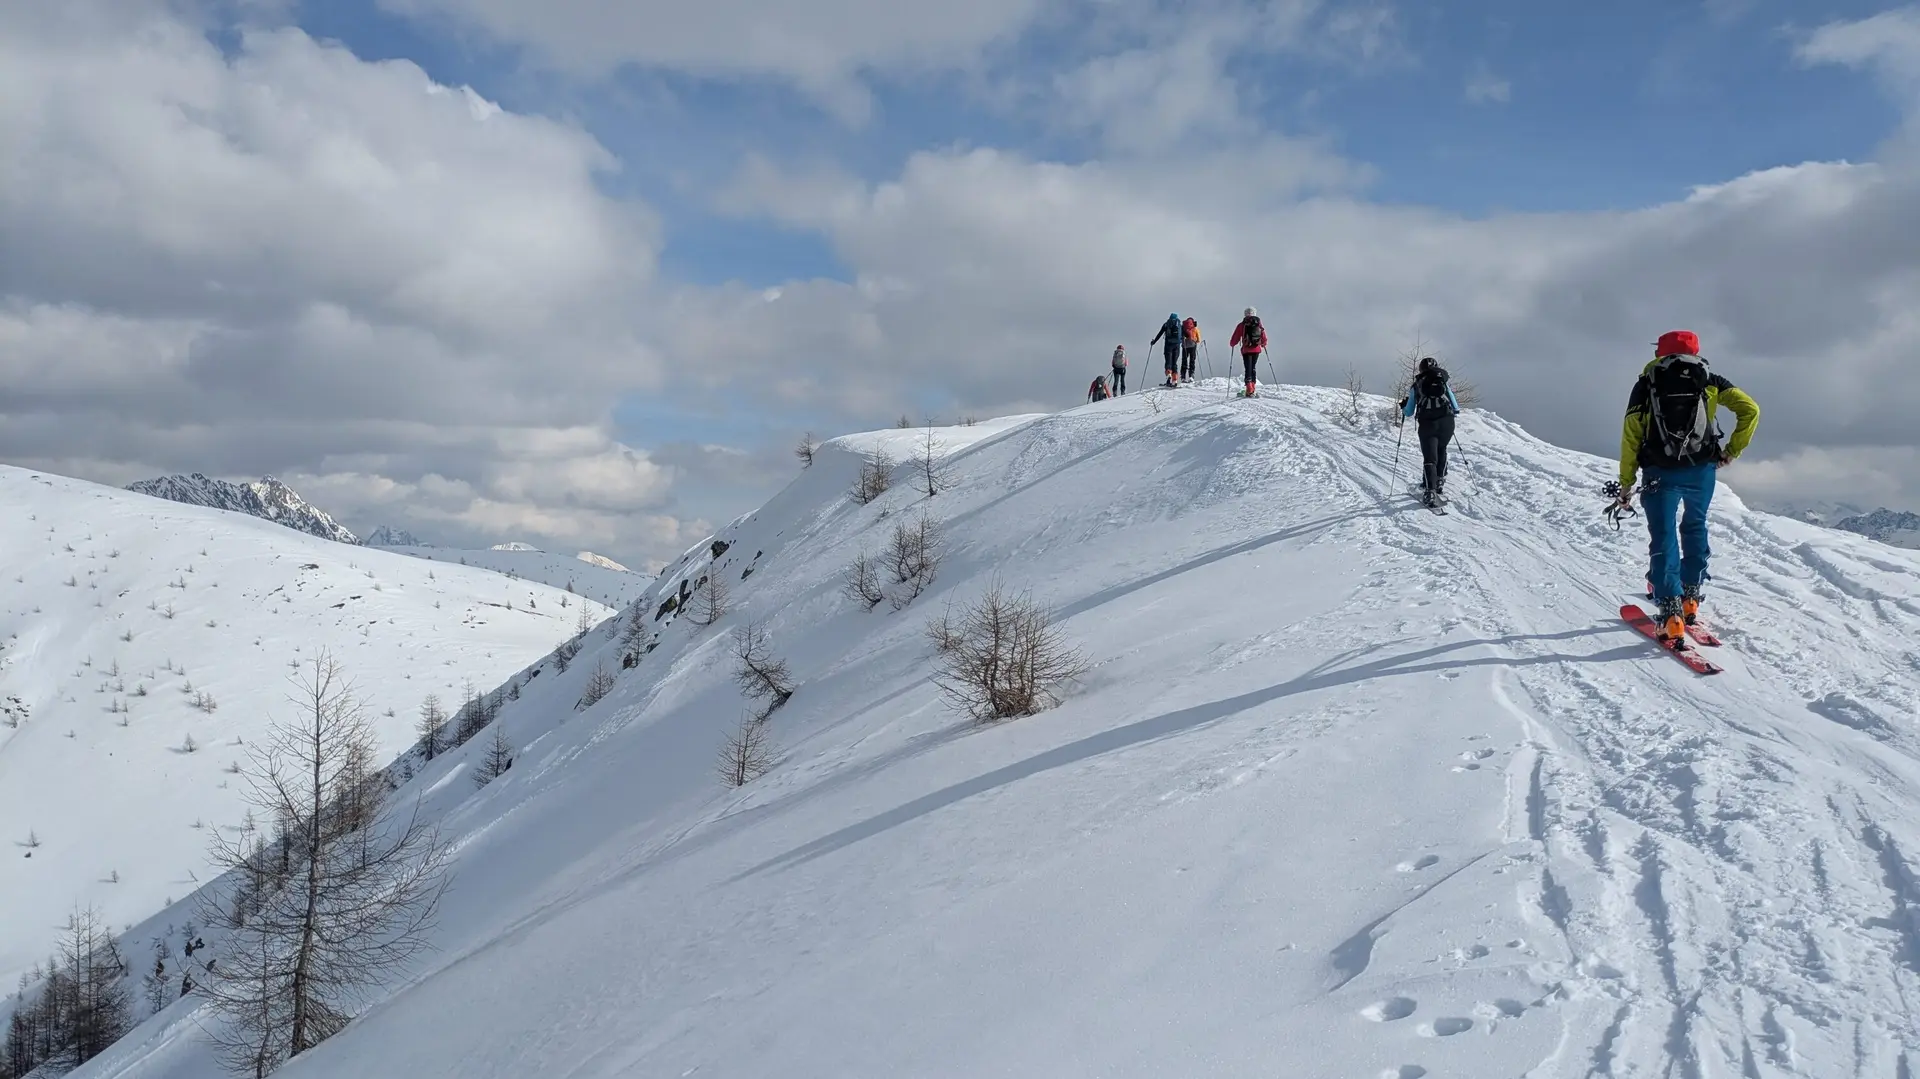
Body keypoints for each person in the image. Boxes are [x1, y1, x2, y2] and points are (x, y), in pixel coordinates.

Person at [1612, 329, 1760, 641]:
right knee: (1695, 526)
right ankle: (1690, 599)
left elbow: (1631, 434)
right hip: (1701, 471)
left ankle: (1670, 613)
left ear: (1659, 354)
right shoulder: (1709, 380)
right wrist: (1731, 451)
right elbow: (1751, 410)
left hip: (1660, 472)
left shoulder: (1647, 383)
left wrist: (1626, 483)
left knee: (1664, 535)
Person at [1399, 357, 1460, 507]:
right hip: (1447, 422)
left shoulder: (1416, 386)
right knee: (1442, 449)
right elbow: (1456, 407)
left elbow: (1408, 412)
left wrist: (1403, 406)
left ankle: (1430, 492)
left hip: (1427, 425)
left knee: (1430, 458)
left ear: (1420, 370)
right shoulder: (1443, 382)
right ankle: (1439, 481)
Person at [1228, 307, 1266, 396]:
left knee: (1247, 369)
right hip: (1256, 349)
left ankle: (1249, 390)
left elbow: (1236, 337)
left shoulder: (1242, 325)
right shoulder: (1258, 324)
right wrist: (1264, 343)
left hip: (1246, 350)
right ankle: (1253, 387)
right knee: (1253, 368)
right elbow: (1263, 334)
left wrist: (1232, 343)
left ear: (1245, 314)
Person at [1150, 313, 1183, 388]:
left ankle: (1169, 375)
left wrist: (1154, 342)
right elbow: (1182, 335)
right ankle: (1175, 380)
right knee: (1174, 363)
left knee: (1168, 362)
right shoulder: (1179, 325)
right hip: (1177, 346)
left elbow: (1160, 333)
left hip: (1168, 345)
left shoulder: (1166, 324)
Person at [1180, 317, 1200, 382]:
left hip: (1185, 346)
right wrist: (1196, 341)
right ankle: (1191, 376)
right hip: (1193, 345)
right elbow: (1199, 339)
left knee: (1184, 361)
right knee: (1192, 360)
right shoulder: (1195, 328)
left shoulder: (1183, 327)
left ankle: (1183, 377)